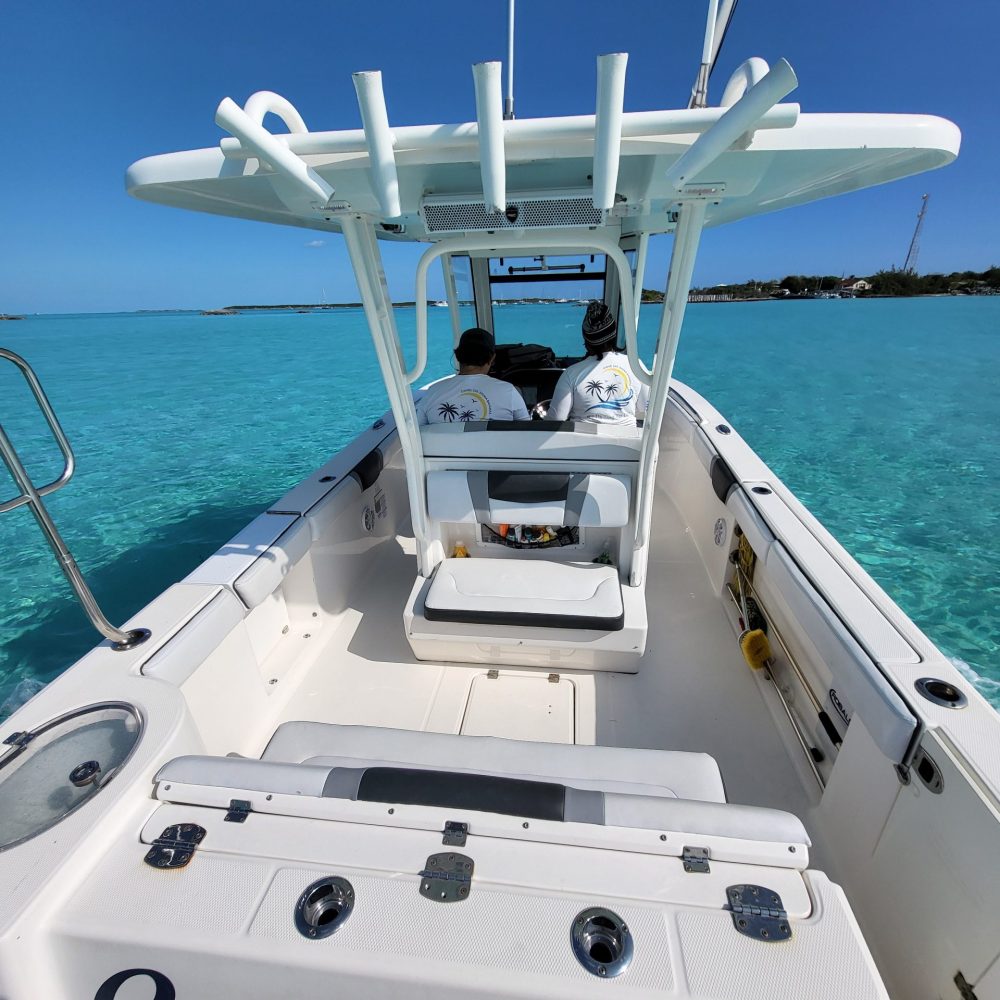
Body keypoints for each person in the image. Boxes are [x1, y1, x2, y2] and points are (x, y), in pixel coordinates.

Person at [547, 302, 648, 425]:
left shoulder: (571, 373)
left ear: (586, 339)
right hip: (628, 442)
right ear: (614, 334)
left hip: (581, 443)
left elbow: (556, 419)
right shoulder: (637, 366)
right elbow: (644, 407)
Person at [416, 327, 530, 425]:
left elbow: (417, 431)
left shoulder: (432, 392)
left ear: (457, 356)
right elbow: (526, 431)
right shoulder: (508, 391)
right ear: (492, 358)